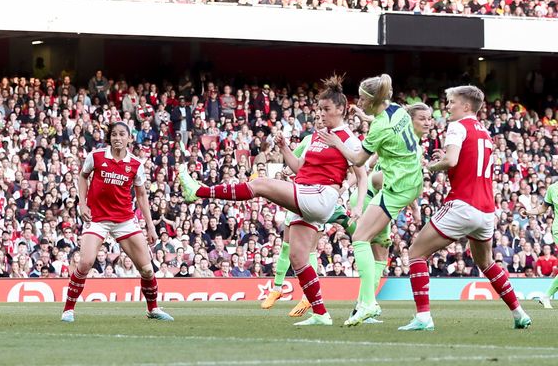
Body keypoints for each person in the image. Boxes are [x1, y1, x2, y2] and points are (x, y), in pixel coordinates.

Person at [180, 76, 367, 326]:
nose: (321, 114)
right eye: (319, 109)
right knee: (298, 258)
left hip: (322, 197)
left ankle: (200, 191)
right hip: (306, 192)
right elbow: (300, 168)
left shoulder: (348, 139)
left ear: (341, 109)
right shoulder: (316, 137)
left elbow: (361, 174)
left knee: (260, 185)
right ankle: (321, 314)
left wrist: (357, 205)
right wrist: (285, 149)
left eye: (327, 109)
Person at [398, 85, 531, 331]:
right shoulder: (485, 133)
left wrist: (430, 166)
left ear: (466, 106)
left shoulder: (457, 126)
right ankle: (519, 313)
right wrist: (447, 161)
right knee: (488, 263)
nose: (447, 106)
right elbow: (466, 161)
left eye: (451, 102)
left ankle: (423, 317)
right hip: (486, 210)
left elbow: (452, 160)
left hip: (462, 204)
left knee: (416, 253)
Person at [318, 74, 423, 326]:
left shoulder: (380, 127)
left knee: (360, 238)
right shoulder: (398, 110)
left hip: (396, 186)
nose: (360, 102)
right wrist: (366, 118)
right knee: (379, 245)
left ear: (374, 99)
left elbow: (357, 160)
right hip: (410, 180)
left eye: (363, 99)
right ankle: (367, 304)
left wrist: (335, 142)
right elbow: (383, 122)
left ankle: (366, 304)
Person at [61, 122, 173, 323]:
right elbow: (82, 176)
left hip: (125, 220)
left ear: (129, 138)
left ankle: (153, 308)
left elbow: (141, 196)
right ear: (109, 137)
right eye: (114, 134)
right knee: (85, 262)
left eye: (122, 134)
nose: (118, 138)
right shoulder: (95, 157)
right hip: (97, 219)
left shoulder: (136, 165)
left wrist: (150, 226)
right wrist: (82, 204)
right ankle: (68, 310)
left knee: (147, 269)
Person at [345, 102, 433, 324]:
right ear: (408, 120)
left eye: (429, 118)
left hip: (374, 198)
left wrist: (366, 117)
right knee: (369, 248)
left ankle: (363, 307)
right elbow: (376, 174)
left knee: (380, 257)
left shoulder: (408, 142)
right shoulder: (401, 143)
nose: (428, 123)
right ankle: (364, 306)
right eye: (422, 118)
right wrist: (413, 207)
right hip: (370, 199)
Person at [261, 111, 353, 318]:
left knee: (309, 249)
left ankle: (308, 298)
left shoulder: (340, 141)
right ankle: (277, 288)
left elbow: (352, 171)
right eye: (318, 119)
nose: (321, 122)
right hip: (301, 194)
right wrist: (287, 168)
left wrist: (342, 187)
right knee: (287, 243)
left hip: (320, 199)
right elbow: (298, 163)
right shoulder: (309, 140)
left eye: (324, 119)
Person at [522, 182, 558, 308]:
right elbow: (542, 208)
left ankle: (545, 296)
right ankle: (546, 296)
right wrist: (528, 212)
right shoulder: (552, 188)